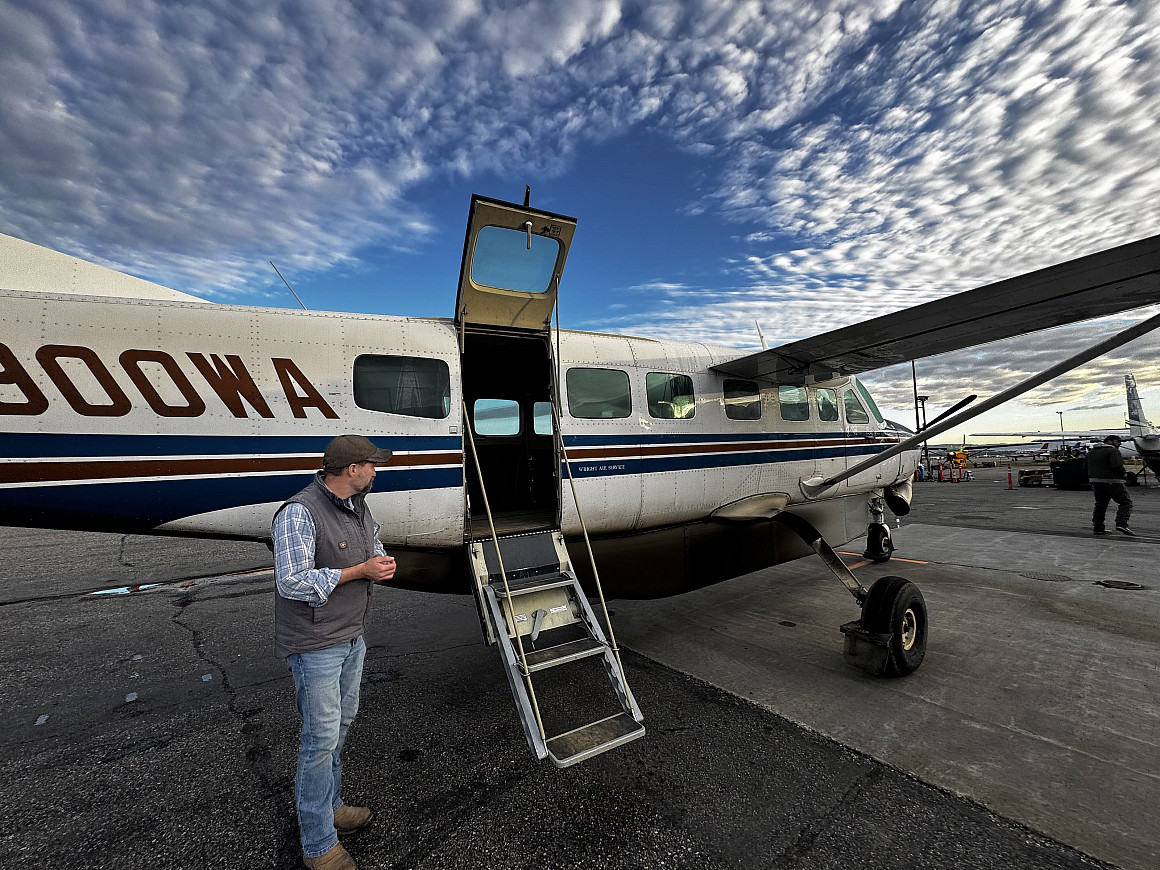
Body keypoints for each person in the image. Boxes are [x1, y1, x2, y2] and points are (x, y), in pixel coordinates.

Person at [272, 434, 397, 870]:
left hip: (349, 636)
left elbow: (371, 543)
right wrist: (358, 571)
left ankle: (333, 806)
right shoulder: (298, 513)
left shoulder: (357, 506)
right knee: (319, 741)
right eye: (371, 465)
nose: (376, 472)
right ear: (351, 471)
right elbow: (291, 581)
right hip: (315, 645)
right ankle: (319, 845)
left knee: (340, 727)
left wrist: (378, 562)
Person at [1087, 434, 1134, 536]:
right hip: (1113, 481)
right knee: (1126, 502)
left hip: (1096, 481)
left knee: (1100, 504)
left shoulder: (1092, 451)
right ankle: (1122, 523)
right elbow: (1117, 465)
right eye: (1118, 441)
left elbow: (1085, 466)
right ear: (1110, 441)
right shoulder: (1112, 451)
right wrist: (1124, 474)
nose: (1120, 444)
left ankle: (1098, 528)